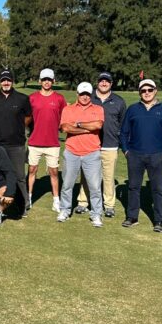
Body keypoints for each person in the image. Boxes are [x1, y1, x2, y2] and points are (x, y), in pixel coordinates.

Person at [120, 79, 162, 233]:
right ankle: (132, 217)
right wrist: (126, 151)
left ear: (155, 90)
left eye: (150, 90)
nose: (146, 93)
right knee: (133, 187)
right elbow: (124, 133)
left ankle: (159, 220)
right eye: (143, 90)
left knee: (158, 189)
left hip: (157, 155)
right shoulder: (133, 109)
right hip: (135, 155)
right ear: (140, 92)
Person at [75, 72, 126, 219]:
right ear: (97, 82)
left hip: (110, 145)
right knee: (86, 175)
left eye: (107, 81)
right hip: (90, 144)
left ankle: (109, 205)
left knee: (108, 177)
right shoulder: (89, 98)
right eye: (101, 81)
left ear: (111, 83)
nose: (104, 83)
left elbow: (122, 124)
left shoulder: (119, 101)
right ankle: (83, 202)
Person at [56, 83, 105, 228]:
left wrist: (77, 125)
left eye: (88, 94)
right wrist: (86, 128)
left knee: (95, 186)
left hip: (92, 152)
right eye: (82, 94)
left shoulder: (98, 109)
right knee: (67, 185)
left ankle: (96, 213)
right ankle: (65, 210)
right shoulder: (68, 109)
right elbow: (65, 127)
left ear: (91, 95)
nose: (85, 97)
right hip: (72, 152)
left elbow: (98, 125)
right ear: (77, 94)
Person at [0, 68, 32, 215]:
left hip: (16, 145)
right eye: (3, 80)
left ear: (12, 81)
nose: (6, 82)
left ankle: (22, 204)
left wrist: (17, 128)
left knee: (19, 177)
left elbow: (28, 118)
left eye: (8, 80)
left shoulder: (22, 99)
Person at [27, 68, 67, 212]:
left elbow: (65, 117)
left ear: (53, 81)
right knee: (32, 170)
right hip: (34, 141)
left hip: (52, 143)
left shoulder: (59, 98)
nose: (47, 82)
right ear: (39, 81)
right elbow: (26, 119)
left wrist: (63, 128)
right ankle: (29, 198)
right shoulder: (32, 98)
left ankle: (56, 200)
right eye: (44, 79)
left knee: (54, 172)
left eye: (49, 79)